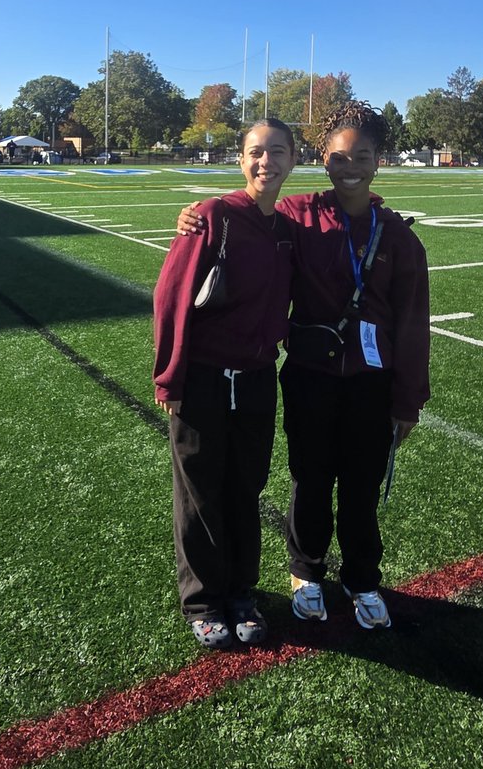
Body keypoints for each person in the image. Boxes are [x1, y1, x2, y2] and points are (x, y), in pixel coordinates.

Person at [177, 102, 430, 630]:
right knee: (309, 479)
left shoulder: (400, 239)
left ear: (378, 161)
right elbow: (249, 212)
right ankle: (307, 571)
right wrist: (197, 216)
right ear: (324, 159)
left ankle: (362, 579)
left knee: (361, 487)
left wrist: (409, 401)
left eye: (362, 156)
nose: (351, 166)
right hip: (310, 376)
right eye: (340, 157)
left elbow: (412, 326)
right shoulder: (298, 215)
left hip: (371, 383)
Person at [154, 120, 296, 649]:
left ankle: (241, 591)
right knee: (198, 493)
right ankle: (203, 600)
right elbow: (170, 298)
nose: (267, 163)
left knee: (246, 488)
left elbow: (335, 217)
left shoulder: (286, 227)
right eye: (256, 153)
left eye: (277, 153)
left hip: (258, 379)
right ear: (240, 160)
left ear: (293, 159)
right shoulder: (214, 216)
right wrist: (170, 376)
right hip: (204, 382)